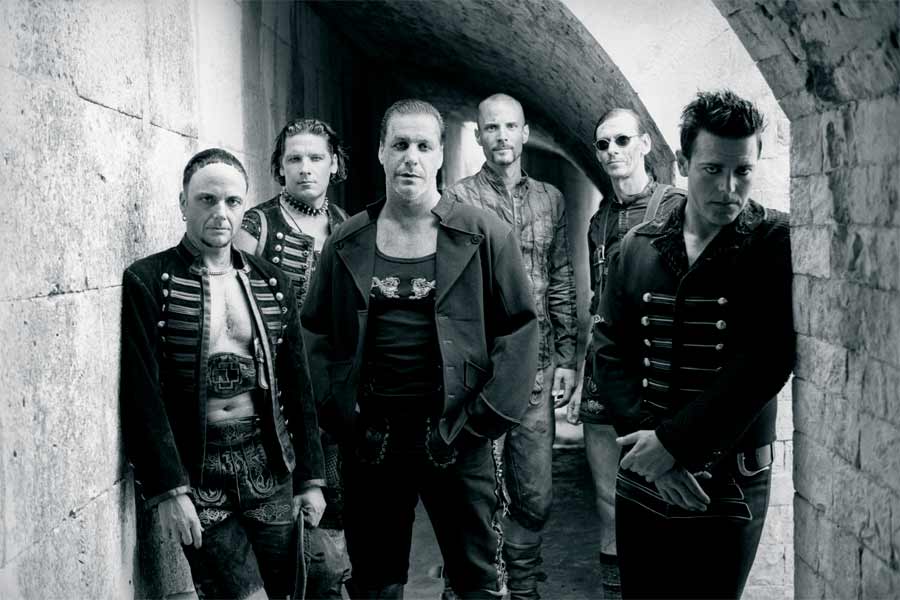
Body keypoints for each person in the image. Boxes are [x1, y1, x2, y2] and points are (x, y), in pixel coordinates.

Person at [300, 99, 538, 599]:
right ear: (381, 152)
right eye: (400, 144)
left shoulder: (483, 235)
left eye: (423, 146)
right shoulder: (348, 241)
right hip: (374, 439)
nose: (411, 156)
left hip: (456, 433)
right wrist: (341, 411)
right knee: (376, 581)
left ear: (440, 155)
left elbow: (519, 329)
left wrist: (480, 421)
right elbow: (314, 333)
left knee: (476, 581)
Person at [588, 90, 794, 599]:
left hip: (728, 479)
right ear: (682, 164)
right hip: (643, 467)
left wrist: (674, 446)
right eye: (712, 170)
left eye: (742, 171)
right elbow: (609, 346)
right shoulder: (637, 246)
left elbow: (765, 362)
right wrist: (647, 447)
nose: (728, 188)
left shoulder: (773, 242)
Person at [121, 148, 326, 599]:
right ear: (183, 203)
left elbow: (298, 385)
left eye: (232, 202)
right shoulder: (148, 280)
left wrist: (311, 479)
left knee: (290, 591)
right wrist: (170, 490)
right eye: (206, 199)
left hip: (268, 463)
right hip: (201, 470)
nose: (221, 212)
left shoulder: (273, 281)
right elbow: (141, 395)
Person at [442, 93, 578, 600]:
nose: (501, 136)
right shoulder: (456, 198)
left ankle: (523, 588)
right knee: (475, 491)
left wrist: (567, 357)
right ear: (479, 136)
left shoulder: (551, 199)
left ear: (525, 133)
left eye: (510, 126)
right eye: (491, 128)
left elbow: (561, 277)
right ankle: (476, 587)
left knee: (535, 496)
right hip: (478, 373)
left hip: (536, 371)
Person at [566, 108, 685, 592]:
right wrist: (583, 373)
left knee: (667, 494)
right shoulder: (600, 220)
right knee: (608, 498)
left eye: (622, 140)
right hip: (605, 371)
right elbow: (597, 304)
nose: (613, 151)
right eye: (603, 144)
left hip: (661, 372)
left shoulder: (677, 207)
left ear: (644, 145)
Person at [234, 117, 352, 598]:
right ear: (279, 168)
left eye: (316, 158)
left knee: (335, 511)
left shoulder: (348, 226)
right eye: (294, 158)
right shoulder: (256, 224)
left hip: (332, 397)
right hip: (273, 399)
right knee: (279, 520)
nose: (306, 168)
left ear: (334, 165)